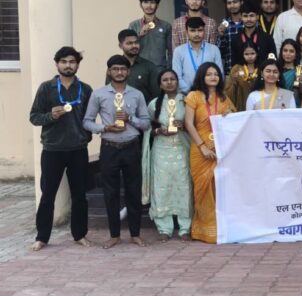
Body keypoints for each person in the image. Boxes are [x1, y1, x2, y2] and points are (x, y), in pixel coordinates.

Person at [29, 47, 93, 251]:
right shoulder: (46, 88)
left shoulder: (86, 89)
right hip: (52, 150)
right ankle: (42, 237)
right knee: (48, 195)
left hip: (78, 149)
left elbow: (90, 118)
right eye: (64, 61)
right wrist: (50, 116)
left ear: (78, 65)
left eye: (72, 62)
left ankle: (80, 234)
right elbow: (34, 117)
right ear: (57, 64)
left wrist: (85, 137)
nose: (68, 65)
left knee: (80, 195)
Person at [83, 55, 151, 249]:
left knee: (133, 191)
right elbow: (87, 122)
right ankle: (114, 235)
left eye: (123, 69)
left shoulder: (137, 94)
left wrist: (131, 119)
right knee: (110, 192)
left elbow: (146, 123)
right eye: (115, 69)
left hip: (131, 146)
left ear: (128, 71)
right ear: (109, 71)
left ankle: (135, 234)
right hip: (109, 148)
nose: (119, 72)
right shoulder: (99, 94)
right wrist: (104, 128)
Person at [184, 62, 235, 244]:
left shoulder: (224, 97)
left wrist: (229, 113)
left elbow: (233, 120)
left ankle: (221, 228)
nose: (213, 77)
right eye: (209, 74)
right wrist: (202, 146)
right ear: (202, 76)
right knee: (203, 190)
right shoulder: (194, 96)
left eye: (216, 74)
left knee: (219, 188)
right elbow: (188, 124)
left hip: (221, 148)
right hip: (200, 150)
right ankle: (204, 230)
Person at [141, 69, 192, 242]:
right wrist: (158, 131)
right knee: (161, 187)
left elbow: (196, 124)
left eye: (172, 79)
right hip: (161, 151)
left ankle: (185, 228)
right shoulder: (153, 104)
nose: (169, 82)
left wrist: (184, 126)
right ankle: (164, 228)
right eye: (165, 80)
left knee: (184, 186)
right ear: (160, 85)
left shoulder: (187, 101)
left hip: (182, 149)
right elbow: (146, 127)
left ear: (177, 82)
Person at [172, 17, 223, 93]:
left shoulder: (214, 49)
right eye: (192, 31)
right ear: (186, 32)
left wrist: (209, 90)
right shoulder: (178, 51)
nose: (196, 34)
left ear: (204, 31)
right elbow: (177, 76)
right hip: (186, 94)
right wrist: (190, 92)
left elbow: (220, 73)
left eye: (200, 30)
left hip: (210, 93)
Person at [109, 29, 160, 102]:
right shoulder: (114, 67)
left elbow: (156, 95)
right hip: (119, 107)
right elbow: (109, 92)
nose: (134, 46)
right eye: (129, 43)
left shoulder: (149, 66)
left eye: (136, 42)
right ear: (120, 46)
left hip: (143, 108)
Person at [129, 0, 172, 71]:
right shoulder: (134, 25)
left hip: (159, 69)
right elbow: (128, 47)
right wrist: (140, 34)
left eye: (152, 2)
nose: (149, 5)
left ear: (157, 5)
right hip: (139, 68)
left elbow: (171, 50)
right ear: (140, 5)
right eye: (145, 2)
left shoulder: (166, 26)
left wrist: (168, 69)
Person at [227, 1, 276, 71]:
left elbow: (272, 62)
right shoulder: (235, 39)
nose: (248, 19)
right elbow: (234, 64)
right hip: (242, 76)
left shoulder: (267, 38)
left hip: (263, 76)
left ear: (257, 17)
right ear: (241, 17)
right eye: (245, 16)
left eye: (251, 16)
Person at [225, 43, 260, 112]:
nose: (250, 56)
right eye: (246, 54)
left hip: (258, 106)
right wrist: (235, 81)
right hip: (240, 107)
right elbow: (228, 91)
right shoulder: (236, 68)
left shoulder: (261, 69)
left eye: (252, 53)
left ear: (257, 54)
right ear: (242, 54)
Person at [216, 0, 243, 69]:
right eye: (229, 3)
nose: (232, 5)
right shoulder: (224, 25)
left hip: (249, 71)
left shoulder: (249, 22)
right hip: (230, 70)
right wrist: (221, 36)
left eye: (235, 2)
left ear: (241, 2)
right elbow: (219, 52)